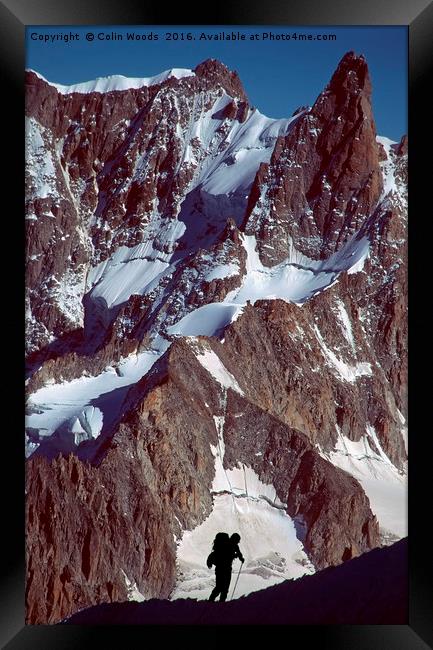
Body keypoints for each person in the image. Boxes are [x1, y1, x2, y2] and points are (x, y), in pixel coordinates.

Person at [207, 532, 244, 602]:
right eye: (237, 541)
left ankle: (211, 601)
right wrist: (240, 558)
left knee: (219, 587)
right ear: (235, 540)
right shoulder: (232, 546)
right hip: (226, 569)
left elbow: (220, 555)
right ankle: (220, 603)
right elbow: (234, 555)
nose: (238, 542)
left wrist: (238, 557)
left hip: (219, 569)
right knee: (225, 588)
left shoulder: (226, 544)